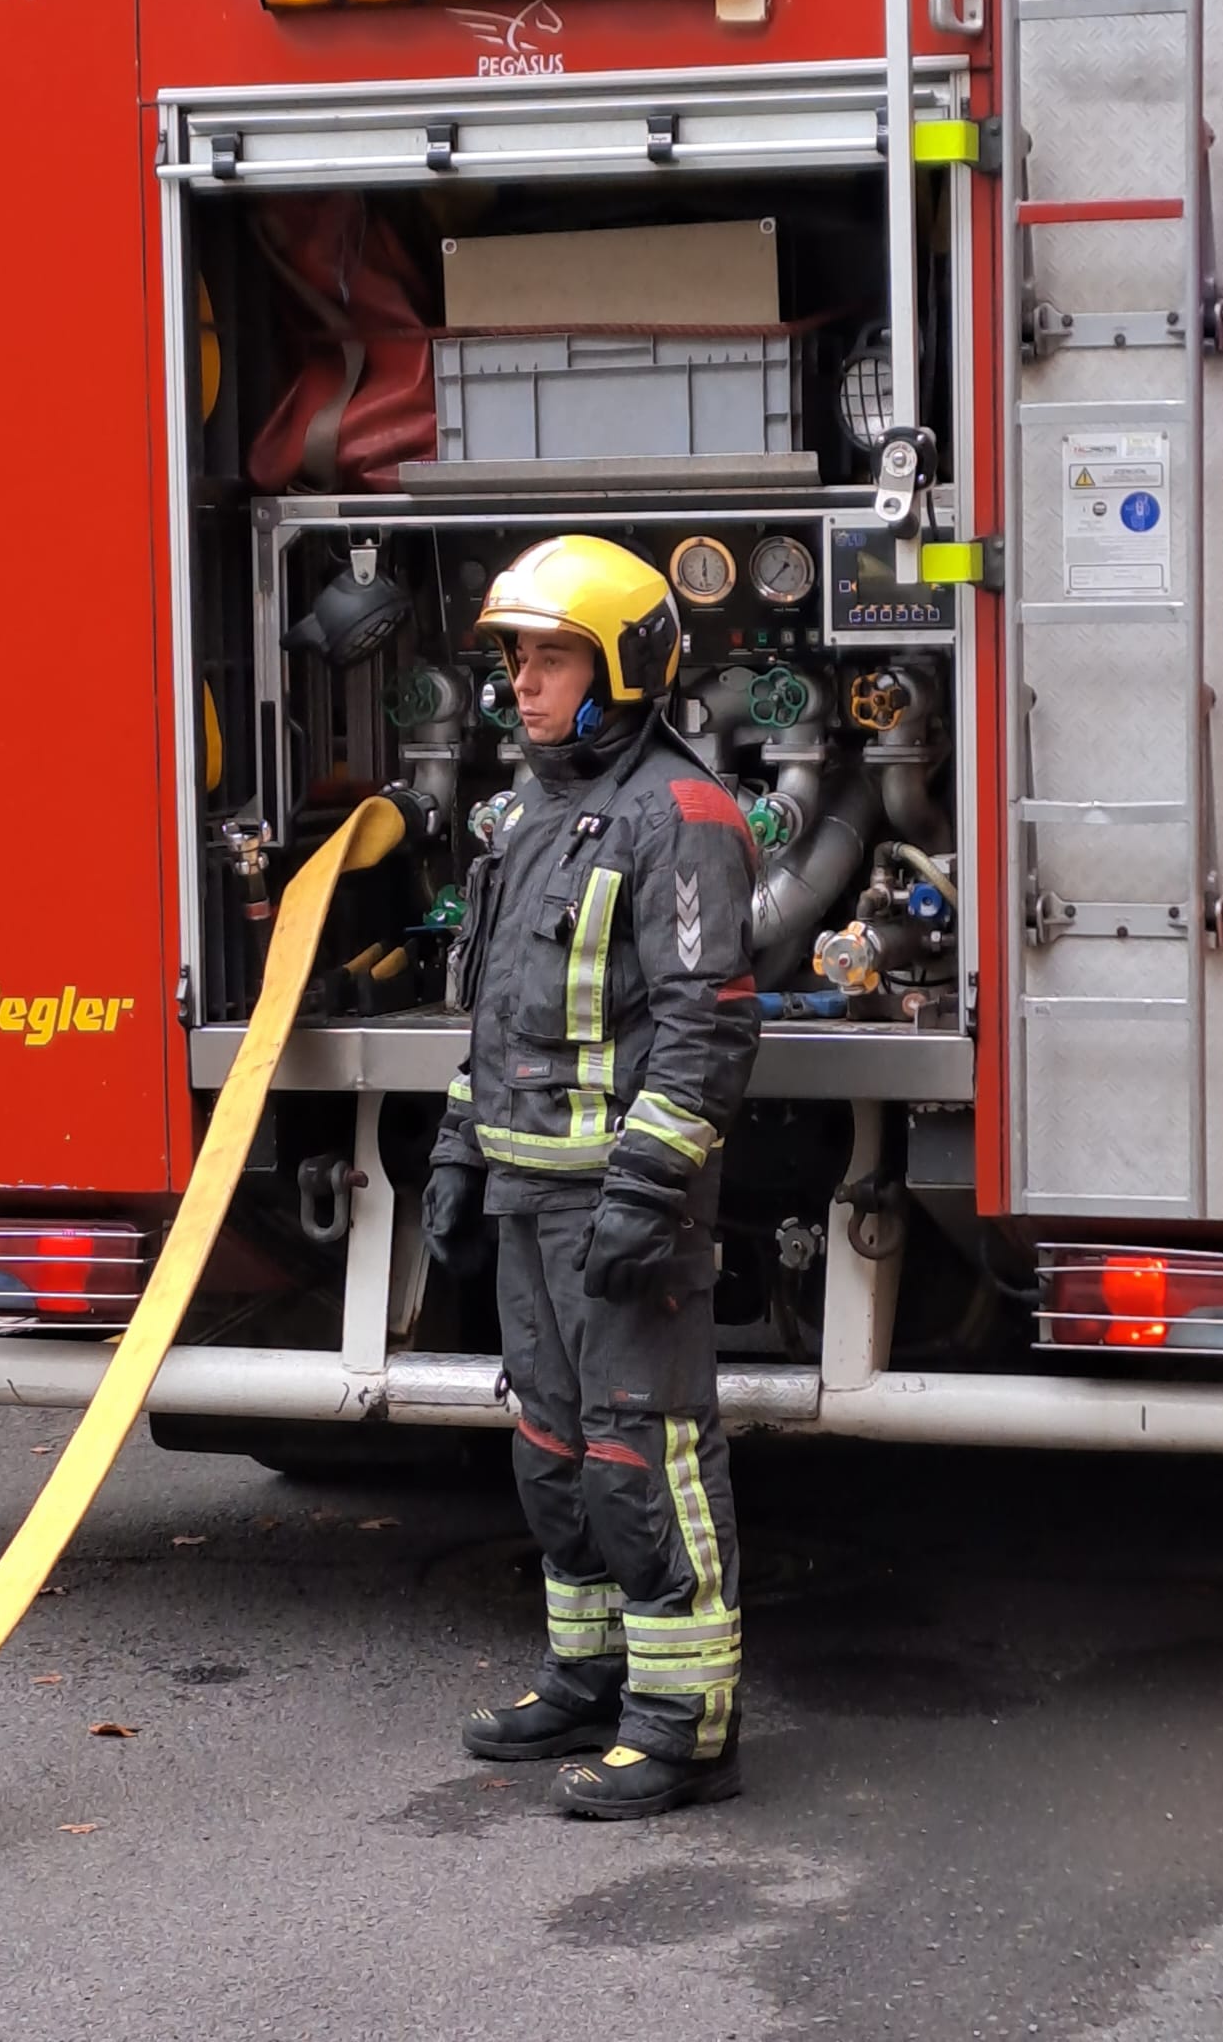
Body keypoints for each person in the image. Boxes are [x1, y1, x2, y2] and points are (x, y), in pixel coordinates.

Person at [424, 535, 761, 1820]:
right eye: (515, 657)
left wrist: (646, 1189)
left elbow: (705, 1024)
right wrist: (458, 1156)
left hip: (619, 1206)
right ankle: (588, 1674)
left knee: (644, 1457)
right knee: (551, 1451)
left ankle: (687, 1725)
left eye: (551, 656)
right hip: (525, 1196)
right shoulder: (525, 816)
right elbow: (497, 1018)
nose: (523, 681)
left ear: (623, 665)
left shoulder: (682, 818)